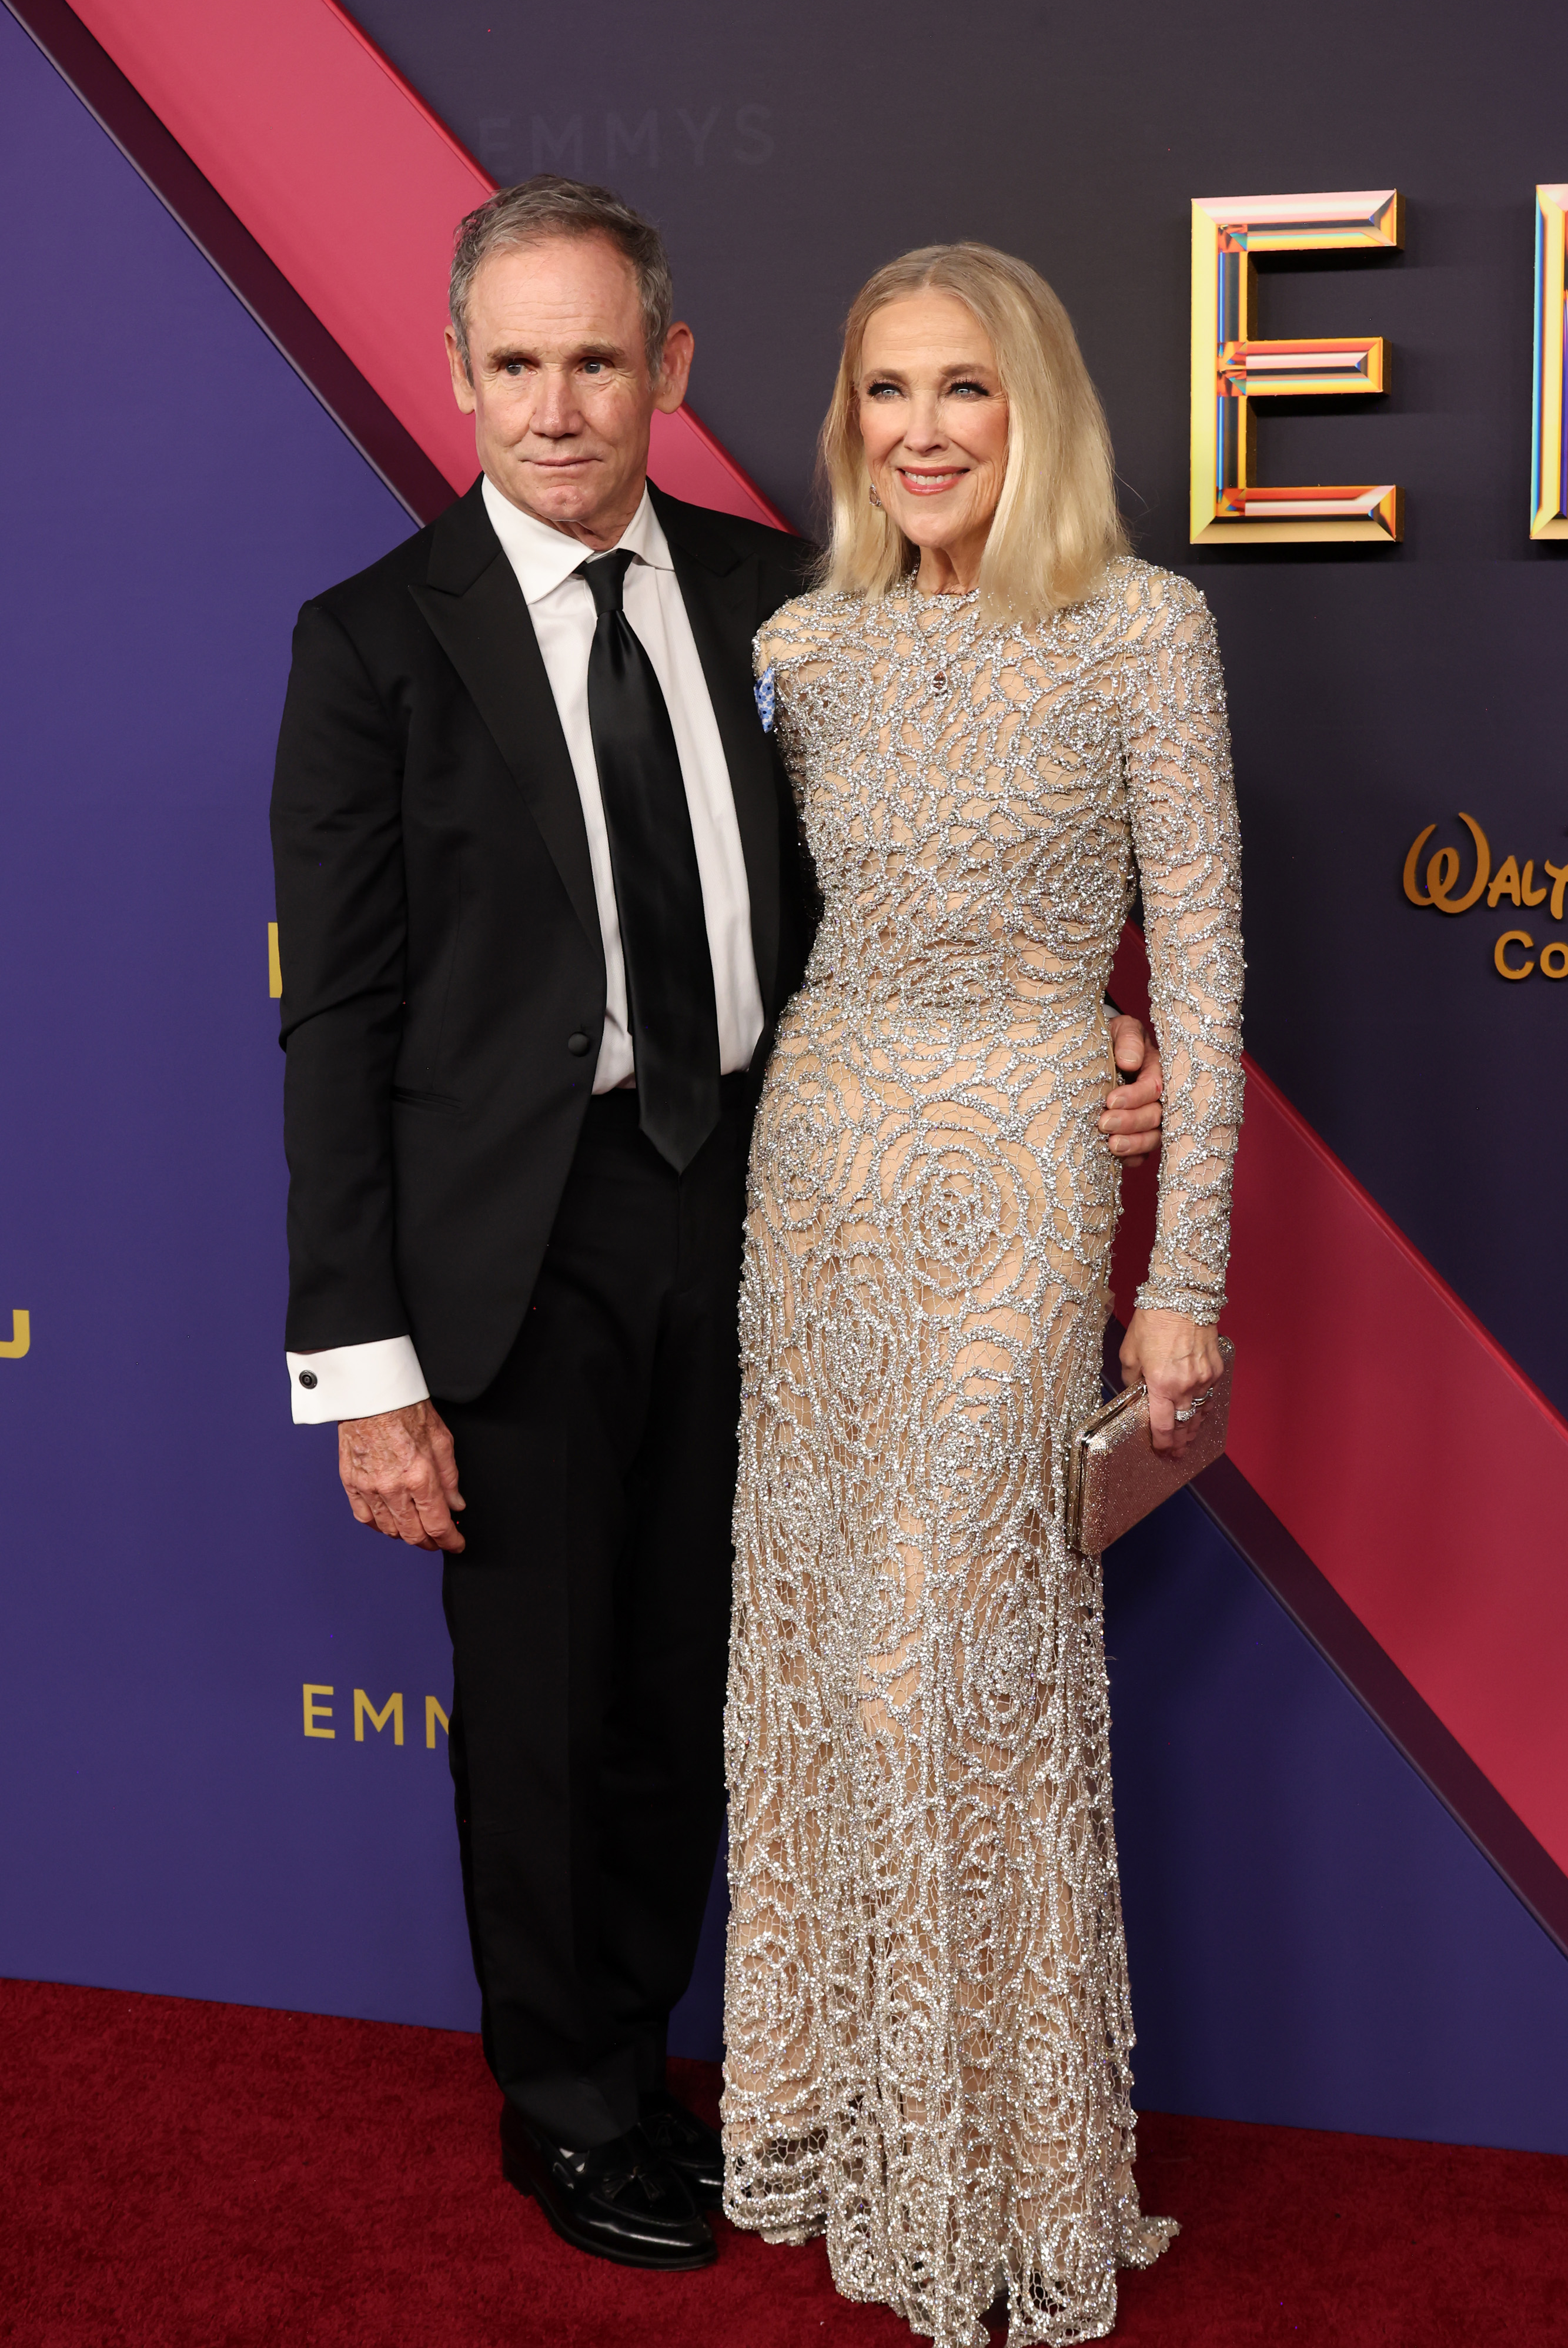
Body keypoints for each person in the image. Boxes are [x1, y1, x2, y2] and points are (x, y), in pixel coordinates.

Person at [270, 180, 1165, 2277]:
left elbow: (917, 897)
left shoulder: (793, 603)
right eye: (516, 362)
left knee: (699, 1684)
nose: (557, 404)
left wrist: (1085, 1038)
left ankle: (658, 2069)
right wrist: (364, 1367)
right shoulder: (371, 643)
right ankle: (566, 2108)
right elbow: (337, 1029)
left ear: (669, 369)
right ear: (459, 372)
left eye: (598, 359)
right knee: (545, 1706)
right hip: (512, 1250)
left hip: (774, 1209)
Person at [720, 242, 1243, 2348]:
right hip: (818, 1186)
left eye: (964, 390)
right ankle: (847, 2124)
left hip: (1024, 1188)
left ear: (1036, 412)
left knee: (960, 1680)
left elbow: (1196, 973)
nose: (920, 431)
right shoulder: (805, 648)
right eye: (882, 392)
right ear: (846, 421)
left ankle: (1003, 2179)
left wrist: (1178, 1269)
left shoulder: (1142, 630)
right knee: (830, 1671)